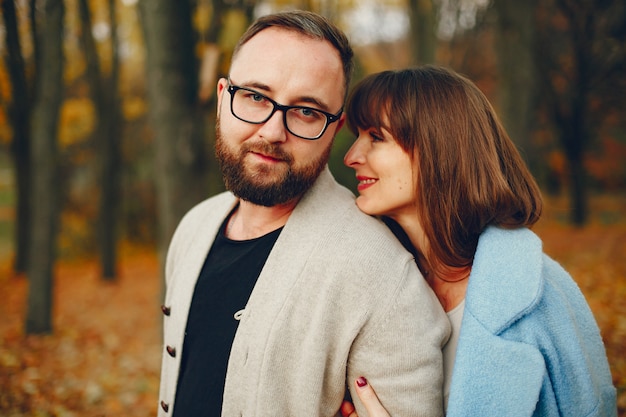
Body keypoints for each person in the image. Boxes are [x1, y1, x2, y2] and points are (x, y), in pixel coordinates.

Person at [157, 11, 450, 417]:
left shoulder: (380, 274)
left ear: (335, 128)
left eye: (307, 111)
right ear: (223, 98)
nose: (273, 131)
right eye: (256, 97)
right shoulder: (195, 227)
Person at [340, 66, 617, 416]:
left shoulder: (542, 297)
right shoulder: (372, 285)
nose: (351, 156)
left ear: (438, 147)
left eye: (376, 137)